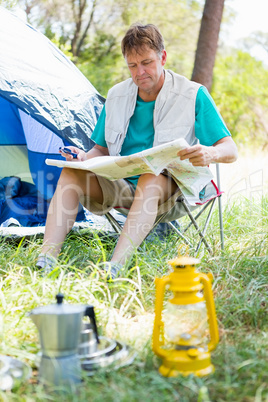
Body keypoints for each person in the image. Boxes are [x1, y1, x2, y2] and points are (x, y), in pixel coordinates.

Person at [37, 23, 238, 278]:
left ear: (162, 57)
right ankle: (46, 260)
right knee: (70, 173)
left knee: (151, 176)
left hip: (171, 194)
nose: (140, 72)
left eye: (146, 62)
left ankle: (115, 267)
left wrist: (209, 153)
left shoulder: (193, 94)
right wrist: (85, 158)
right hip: (121, 186)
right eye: (132, 65)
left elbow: (230, 149)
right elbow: (100, 149)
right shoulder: (116, 95)